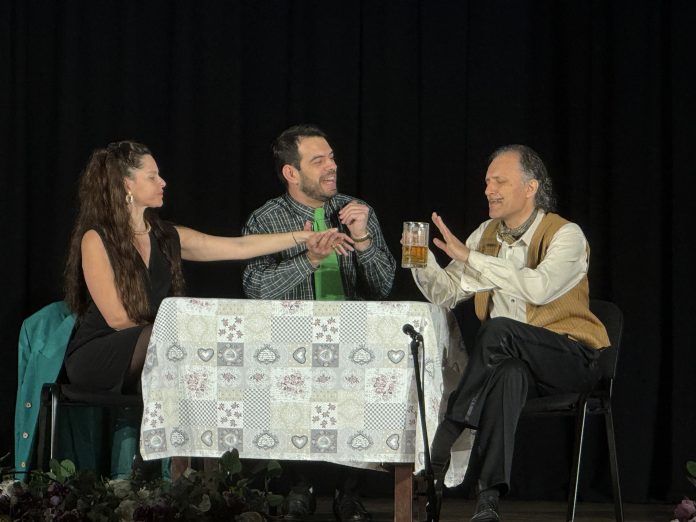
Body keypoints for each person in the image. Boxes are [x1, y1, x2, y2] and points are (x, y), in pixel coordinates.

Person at [63, 140, 351, 478]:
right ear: (127, 185)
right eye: (152, 177)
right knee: (178, 337)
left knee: (204, 353)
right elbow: (117, 318)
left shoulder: (165, 235)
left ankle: (210, 474)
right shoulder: (97, 238)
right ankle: (177, 473)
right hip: (101, 354)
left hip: (161, 351)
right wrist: (181, 331)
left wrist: (303, 239)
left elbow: (236, 247)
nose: (162, 182)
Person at [411, 145, 610, 522]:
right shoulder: (485, 236)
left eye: (499, 181)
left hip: (571, 358)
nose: (489, 190)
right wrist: (420, 259)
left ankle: (446, 434)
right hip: (515, 363)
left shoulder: (565, 234)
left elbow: (539, 288)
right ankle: (488, 500)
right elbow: (447, 293)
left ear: (531, 187)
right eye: (487, 182)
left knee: (499, 329)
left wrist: (472, 258)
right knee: (508, 375)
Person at [242, 124, 396, 521]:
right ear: (291, 173)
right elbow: (256, 288)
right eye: (318, 160)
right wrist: (308, 259)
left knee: (368, 368)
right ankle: (301, 486)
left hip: (353, 340)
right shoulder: (267, 220)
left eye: (331, 157)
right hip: (291, 342)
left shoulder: (355, 211)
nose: (332, 166)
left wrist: (363, 239)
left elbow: (383, 285)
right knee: (287, 368)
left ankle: (349, 492)